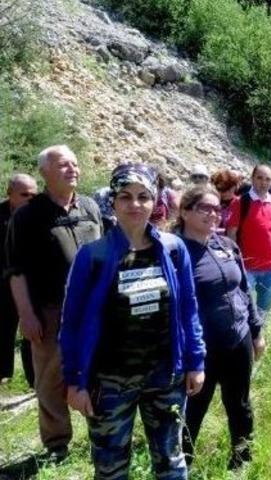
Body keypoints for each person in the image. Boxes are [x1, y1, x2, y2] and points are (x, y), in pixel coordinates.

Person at [61, 163, 205, 479]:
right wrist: (75, 380)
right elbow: (71, 324)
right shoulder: (93, 256)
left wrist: (196, 362)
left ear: (155, 202)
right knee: (111, 467)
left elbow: (188, 310)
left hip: (165, 376)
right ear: (112, 201)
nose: (135, 204)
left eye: (143, 196)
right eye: (125, 196)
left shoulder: (172, 249)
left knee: (171, 461)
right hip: (109, 381)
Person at [7, 146, 102, 460]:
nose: (72, 169)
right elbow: (15, 269)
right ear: (45, 172)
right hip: (50, 311)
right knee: (50, 380)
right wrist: (26, 315)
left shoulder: (90, 207)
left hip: (92, 310)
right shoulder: (27, 216)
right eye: (63, 164)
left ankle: (102, 432)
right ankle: (57, 445)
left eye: (75, 163)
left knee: (97, 372)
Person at [177, 186, 263, 470]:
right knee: (192, 411)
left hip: (237, 339)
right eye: (205, 208)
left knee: (239, 404)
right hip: (201, 350)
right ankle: (181, 468)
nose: (213, 214)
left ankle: (241, 462)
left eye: (217, 208)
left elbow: (243, 290)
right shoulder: (174, 252)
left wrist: (256, 331)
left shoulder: (226, 244)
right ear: (185, 211)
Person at [226, 165, 271, 321]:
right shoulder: (241, 202)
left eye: (267, 179)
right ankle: (245, 339)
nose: (263, 182)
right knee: (240, 308)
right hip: (246, 267)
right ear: (252, 179)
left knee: (264, 309)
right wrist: (233, 262)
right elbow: (231, 234)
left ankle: (258, 337)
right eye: (259, 178)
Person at [0, 174, 37, 387]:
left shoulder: (38, 216)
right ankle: (4, 375)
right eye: (24, 194)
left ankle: (35, 381)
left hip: (29, 284)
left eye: (33, 195)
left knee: (32, 333)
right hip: (3, 285)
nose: (29, 199)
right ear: (10, 194)